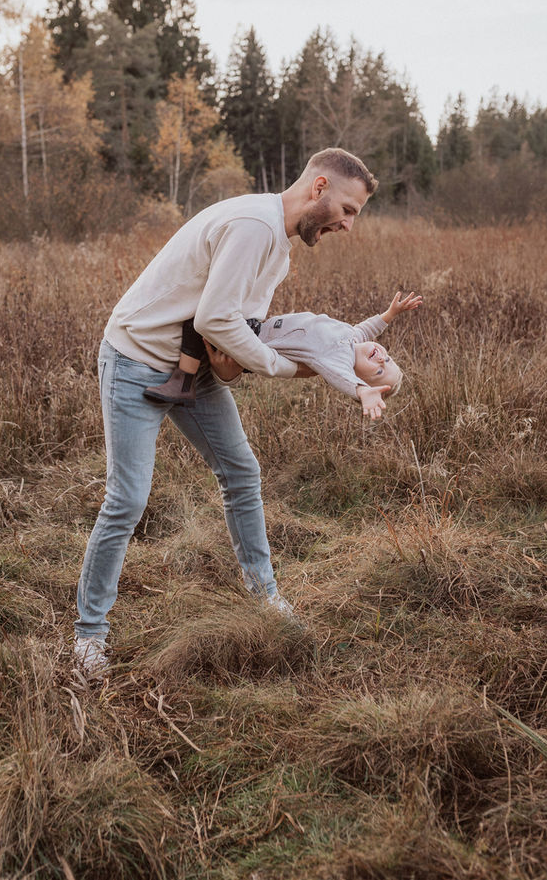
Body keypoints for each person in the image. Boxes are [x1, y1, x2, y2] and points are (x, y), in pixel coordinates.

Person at [74, 148, 378, 677]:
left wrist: (243, 363)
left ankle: (265, 598)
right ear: (320, 187)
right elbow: (217, 318)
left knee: (241, 471)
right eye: (347, 210)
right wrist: (283, 368)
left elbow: (233, 334)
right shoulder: (252, 226)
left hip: (194, 370)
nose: (348, 225)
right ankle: (88, 637)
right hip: (135, 360)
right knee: (127, 500)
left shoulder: (278, 248)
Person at [144, 291, 423, 419]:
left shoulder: (335, 362)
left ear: (356, 375)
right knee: (211, 309)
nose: (381, 358)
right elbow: (367, 329)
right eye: (388, 359)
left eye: (378, 370)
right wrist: (390, 314)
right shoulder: (352, 339)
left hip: (252, 340)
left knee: (200, 320)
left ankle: (183, 380)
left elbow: (341, 378)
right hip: (259, 329)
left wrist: (362, 391)